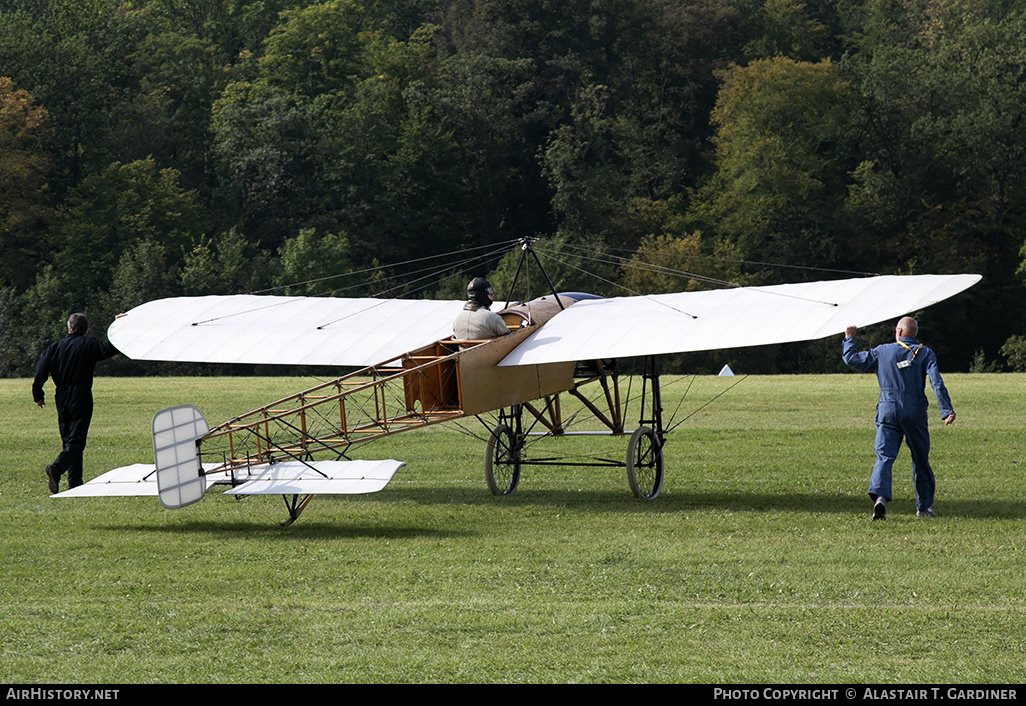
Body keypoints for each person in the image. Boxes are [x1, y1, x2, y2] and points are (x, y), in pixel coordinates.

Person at [842, 317, 955, 520]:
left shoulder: (882, 351)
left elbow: (853, 360)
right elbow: (936, 382)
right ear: (914, 333)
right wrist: (946, 410)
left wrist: (849, 338)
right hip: (915, 411)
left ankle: (880, 499)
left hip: (887, 409)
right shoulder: (924, 353)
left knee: (884, 457)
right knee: (920, 459)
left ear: (898, 332)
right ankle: (923, 507)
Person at [32, 313, 119, 493]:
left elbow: (40, 371)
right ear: (85, 329)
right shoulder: (89, 345)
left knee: (68, 440)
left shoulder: (55, 347)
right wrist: (119, 326)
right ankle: (57, 468)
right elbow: (110, 348)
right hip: (81, 395)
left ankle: (74, 483)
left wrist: (38, 394)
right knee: (77, 441)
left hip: (61, 396)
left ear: (69, 327)